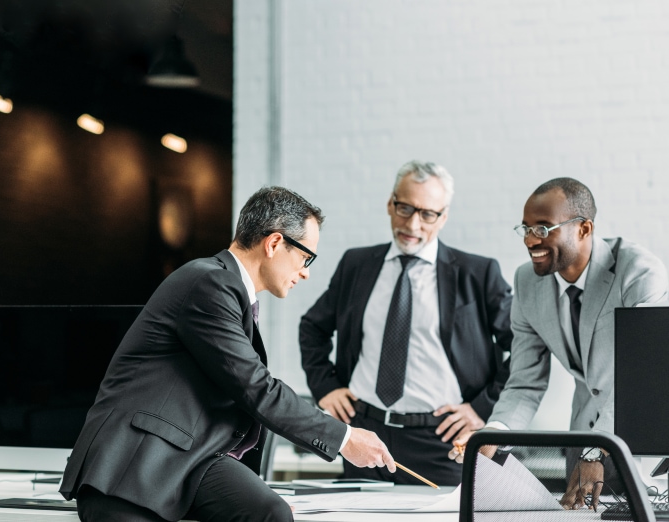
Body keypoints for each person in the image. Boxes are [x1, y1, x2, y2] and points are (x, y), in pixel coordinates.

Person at [59, 186, 395, 522]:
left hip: (189, 462)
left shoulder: (227, 291)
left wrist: (251, 493)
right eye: (306, 257)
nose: (306, 271)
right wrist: (345, 437)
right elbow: (255, 387)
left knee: (269, 512)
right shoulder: (209, 283)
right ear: (275, 243)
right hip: (136, 467)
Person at [449, 177, 669, 510]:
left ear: (583, 228)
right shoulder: (526, 282)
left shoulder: (638, 272)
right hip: (582, 433)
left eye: (542, 228)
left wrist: (594, 450)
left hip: (642, 436)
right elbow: (524, 382)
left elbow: (645, 378)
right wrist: (492, 434)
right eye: (524, 229)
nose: (529, 240)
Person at [299, 160, 513, 486]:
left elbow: (526, 349)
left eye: (428, 214)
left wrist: (483, 407)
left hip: (442, 441)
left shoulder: (478, 274)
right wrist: (325, 387)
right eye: (405, 208)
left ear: (443, 217)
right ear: (390, 203)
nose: (413, 224)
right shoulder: (356, 265)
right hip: (365, 434)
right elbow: (313, 327)